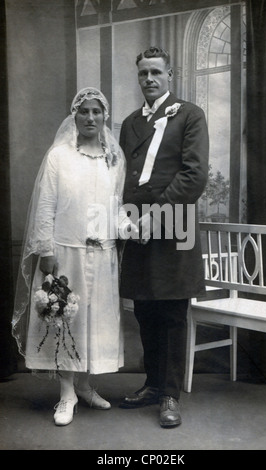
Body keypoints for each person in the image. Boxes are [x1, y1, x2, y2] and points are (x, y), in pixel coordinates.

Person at [12, 87, 138, 426]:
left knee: (93, 323)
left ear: (104, 116)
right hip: (66, 255)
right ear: (75, 115)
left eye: (97, 111)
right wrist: (46, 251)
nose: (91, 118)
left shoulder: (114, 159)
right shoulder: (59, 156)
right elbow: (46, 207)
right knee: (65, 321)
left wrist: (130, 227)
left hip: (103, 256)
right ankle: (66, 393)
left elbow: (114, 207)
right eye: (84, 112)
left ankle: (84, 385)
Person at [119, 47, 209, 428]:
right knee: (144, 309)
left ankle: (170, 393)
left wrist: (152, 217)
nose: (150, 79)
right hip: (135, 227)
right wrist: (124, 220)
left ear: (170, 74)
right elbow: (122, 177)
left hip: (175, 225)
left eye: (156, 72)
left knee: (172, 310)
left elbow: (194, 175)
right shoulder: (129, 123)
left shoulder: (190, 115)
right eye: (144, 74)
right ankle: (154, 384)